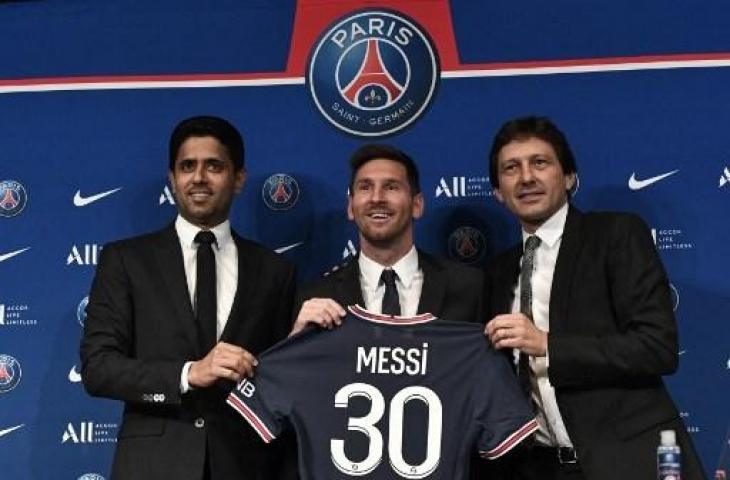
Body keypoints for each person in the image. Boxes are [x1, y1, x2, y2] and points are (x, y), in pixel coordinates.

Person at [483, 116, 705, 479]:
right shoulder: (496, 271)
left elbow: (657, 346)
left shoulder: (615, 236)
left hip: (629, 463)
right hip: (539, 467)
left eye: (540, 163)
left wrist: (548, 345)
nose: (526, 178)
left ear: (569, 178)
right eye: (511, 168)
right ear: (498, 193)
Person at [80, 115, 296, 480]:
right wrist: (187, 374)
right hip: (154, 465)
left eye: (214, 166)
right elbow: (98, 368)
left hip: (247, 465)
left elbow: (282, 382)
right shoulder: (126, 260)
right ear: (172, 179)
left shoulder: (275, 271)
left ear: (238, 179)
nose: (199, 178)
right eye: (187, 167)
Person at [291, 143, 484, 333]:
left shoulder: (469, 287)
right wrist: (296, 343)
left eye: (391, 187)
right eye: (365, 187)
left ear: (417, 205)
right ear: (350, 207)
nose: (376, 198)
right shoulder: (316, 297)